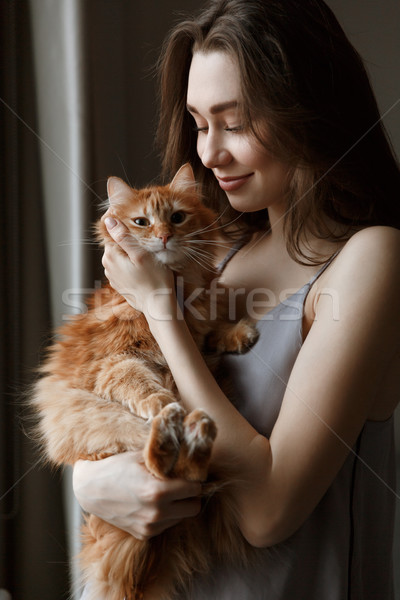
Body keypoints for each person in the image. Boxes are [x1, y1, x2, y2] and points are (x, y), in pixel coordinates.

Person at [73, 1, 400, 598]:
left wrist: (161, 312)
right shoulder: (216, 255)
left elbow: (267, 512)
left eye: (236, 121)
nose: (208, 153)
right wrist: (89, 484)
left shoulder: (369, 259)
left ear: (311, 110)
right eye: (199, 122)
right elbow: (123, 410)